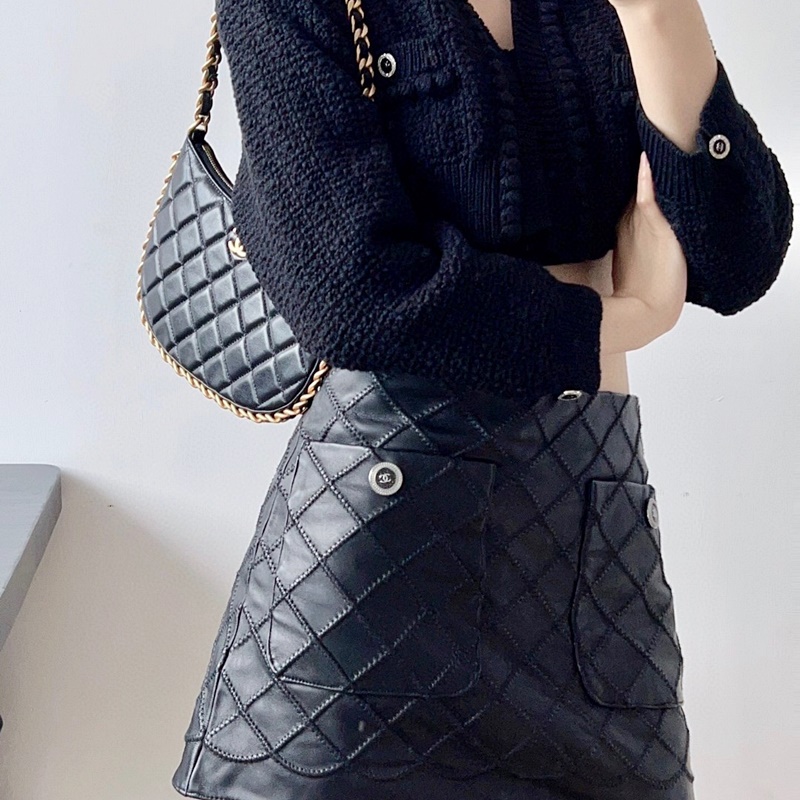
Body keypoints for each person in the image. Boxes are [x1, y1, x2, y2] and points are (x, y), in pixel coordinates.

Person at [170, 1, 793, 799]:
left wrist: (658, 16)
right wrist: (625, 315)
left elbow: (737, 256)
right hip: (374, 571)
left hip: (586, 553)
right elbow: (352, 295)